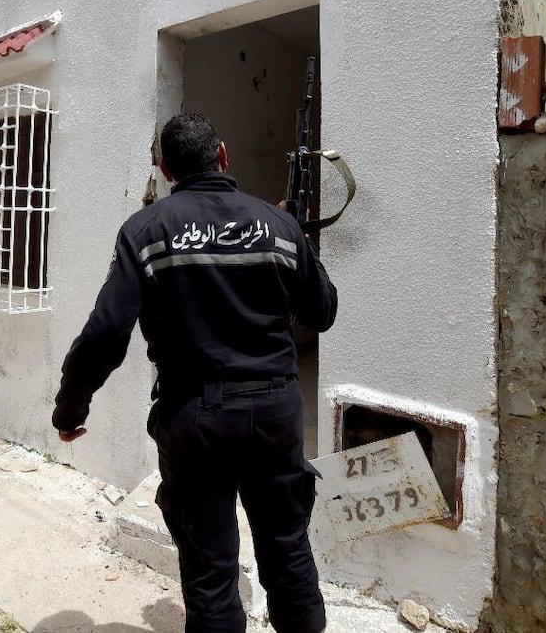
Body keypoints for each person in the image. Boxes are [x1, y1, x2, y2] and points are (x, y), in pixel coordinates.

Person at [52, 112, 337, 633]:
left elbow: (106, 333)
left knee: (210, 575)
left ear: (164, 169)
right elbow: (322, 312)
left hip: (194, 420)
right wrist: (295, 237)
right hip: (275, 415)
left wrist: (70, 407)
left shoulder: (145, 230)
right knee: (289, 556)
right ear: (222, 155)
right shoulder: (277, 225)